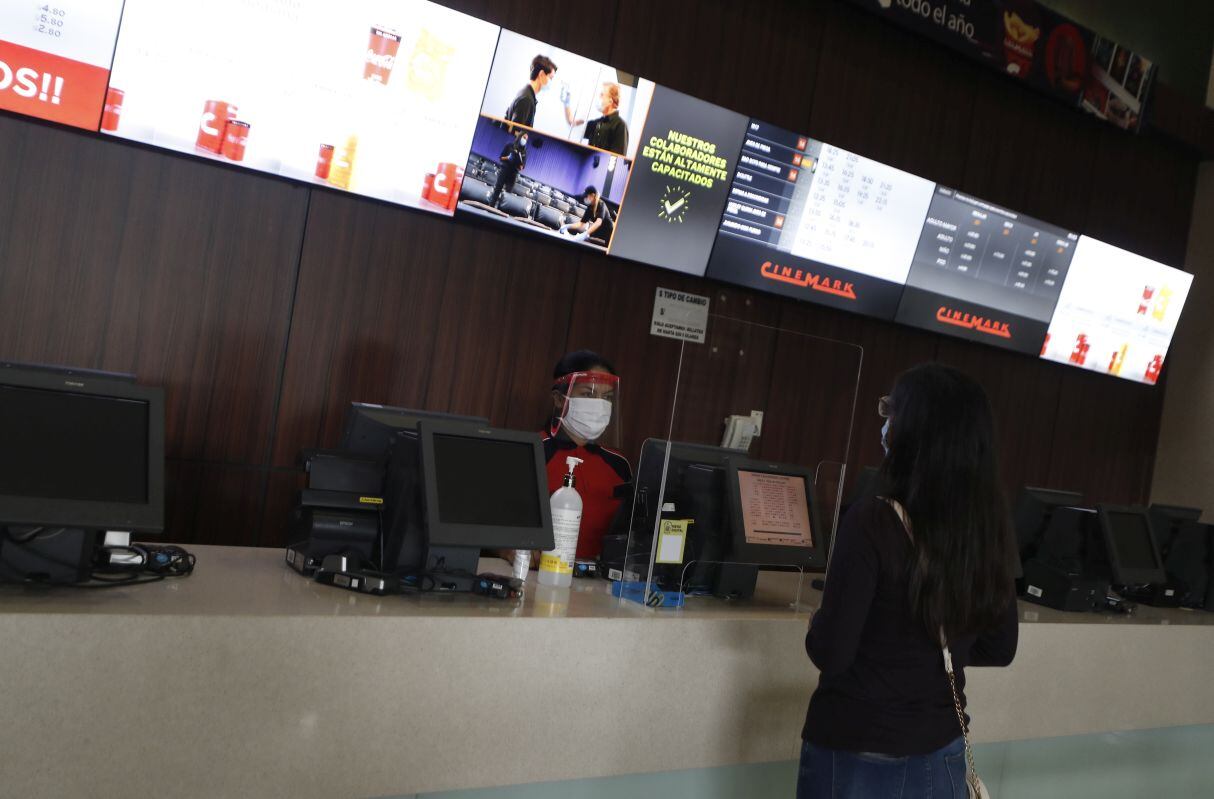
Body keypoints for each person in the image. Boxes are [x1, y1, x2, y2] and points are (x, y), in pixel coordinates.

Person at [798, 364, 1019, 799]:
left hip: (857, 750)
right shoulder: (987, 528)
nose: (885, 424)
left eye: (890, 412)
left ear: (913, 429)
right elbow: (1000, 647)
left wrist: (814, 626)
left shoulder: (871, 520)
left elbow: (832, 652)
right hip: (945, 751)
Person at [507, 351, 631, 567]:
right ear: (558, 398)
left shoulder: (619, 464)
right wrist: (509, 551)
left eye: (607, 397)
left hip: (597, 586)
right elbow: (488, 526)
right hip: (538, 577)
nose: (599, 405)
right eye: (588, 394)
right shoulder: (530, 451)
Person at [583, 83, 628, 155]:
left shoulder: (620, 125)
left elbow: (618, 156)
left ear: (610, 100)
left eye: (602, 95)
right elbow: (573, 123)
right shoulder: (596, 122)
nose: (599, 97)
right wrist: (567, 104)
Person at [489, 130, 527, 207]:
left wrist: (519, 162)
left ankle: (501, 210)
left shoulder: (524, 152)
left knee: (508, 194)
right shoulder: (509, 145)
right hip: (504, 170)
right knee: (497, 189)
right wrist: (508, 157)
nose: (525, 140)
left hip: (513, 174)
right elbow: (501, 158)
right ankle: (491, 206)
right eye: (524, 137)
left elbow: (522, 167)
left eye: (526, 139)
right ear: (520, 137)